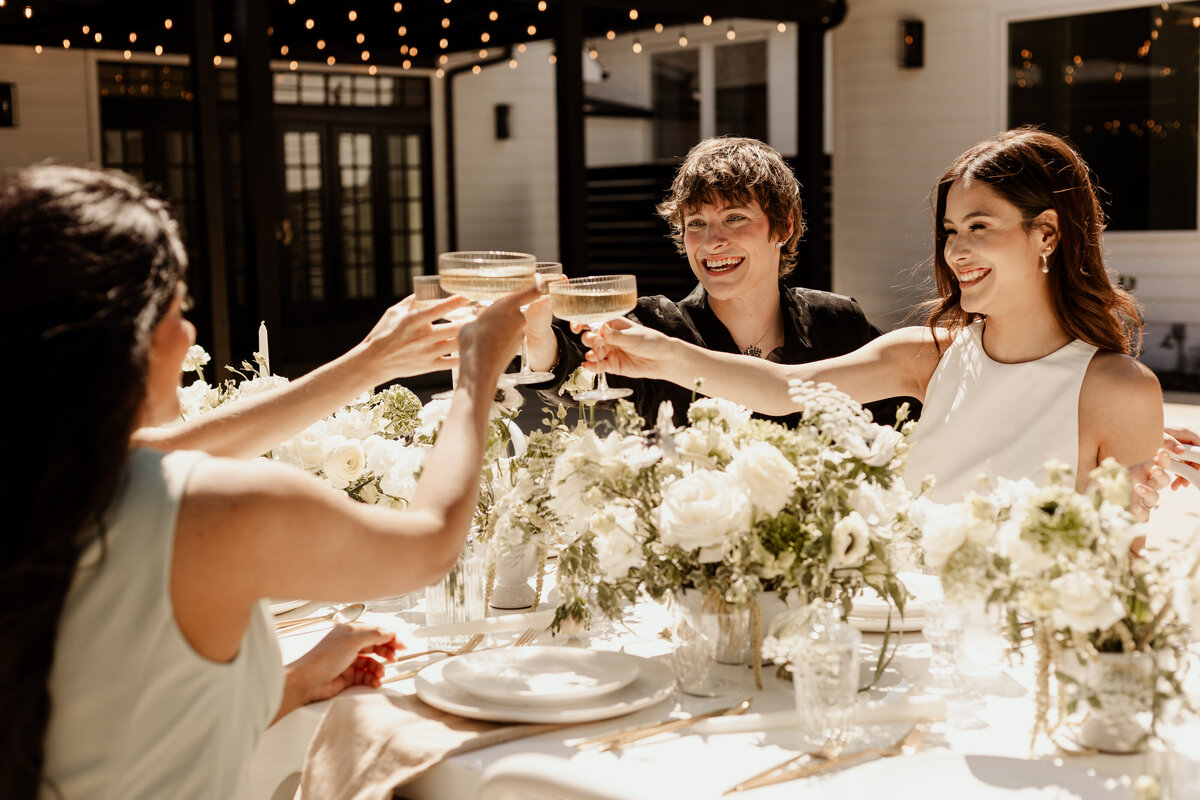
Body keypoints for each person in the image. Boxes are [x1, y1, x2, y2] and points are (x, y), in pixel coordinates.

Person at [0, 165, 537, 800]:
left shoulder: (44, 491)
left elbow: (128, 724)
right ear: (122, 338)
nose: (190, 332)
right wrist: (477, 376)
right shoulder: (208, 507)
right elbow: (428, 546)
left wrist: (296, 682)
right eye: (177, 307)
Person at [581, 128, 1172, 511]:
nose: (955, 253)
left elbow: (1115, 575)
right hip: (902, 643)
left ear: (1046, 233)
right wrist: (662, 352)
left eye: (980, 228)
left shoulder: (1118, 391)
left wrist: (1129, 434)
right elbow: (785, 390)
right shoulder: (923, 356)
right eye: (950, 231)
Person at [523, 136, 916, 427]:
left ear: (784, 226)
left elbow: (903, 421)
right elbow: (575, 372)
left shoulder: (837, 321)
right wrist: (542, 342)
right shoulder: (658, 326)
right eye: (696, 224)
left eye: (735, 218)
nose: (712, 241)